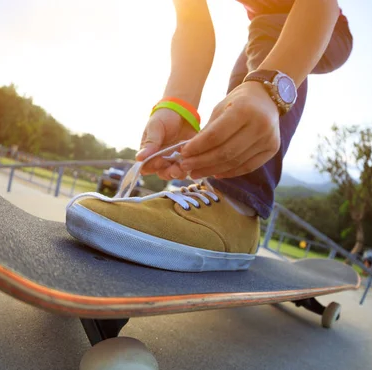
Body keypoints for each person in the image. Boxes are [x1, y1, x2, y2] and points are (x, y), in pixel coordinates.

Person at [66, 0, 353, 272]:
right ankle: (222, 199)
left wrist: (270, 87)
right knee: (251, 63)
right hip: (267, 28)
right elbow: (193, 25)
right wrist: (179, 105)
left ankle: (236, 207)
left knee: (264, 45)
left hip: (326, 25)